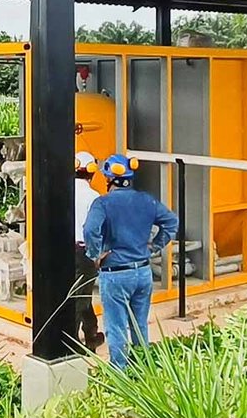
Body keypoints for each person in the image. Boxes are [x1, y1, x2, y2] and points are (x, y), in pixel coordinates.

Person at [82, 153, 178, 368]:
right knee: (139, 324)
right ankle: (143, 368)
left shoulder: (103, 203)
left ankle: (120, 375)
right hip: (143, 272)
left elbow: (90, 229)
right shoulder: (147, 200)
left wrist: (95, 254)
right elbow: (172, 222)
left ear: (108, 179)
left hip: (115, 274)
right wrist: (154, 246)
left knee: (116, 327)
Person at [70, 151, 105, 351]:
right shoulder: (93, 197)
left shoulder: (64, 190)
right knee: (80, 296)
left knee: (81, 293)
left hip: (65, 249)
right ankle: (73, 341)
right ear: (91, 172)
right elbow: (96, 228)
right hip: (84, 251)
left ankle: (91, 332)